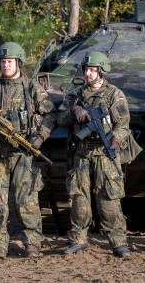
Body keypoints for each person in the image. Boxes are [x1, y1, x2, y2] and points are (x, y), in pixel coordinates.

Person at [0, 42, 54, 259]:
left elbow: (50, 115)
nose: (6, 65)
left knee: (26, 200)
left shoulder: (32, 88)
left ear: (19, 62)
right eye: (3, 61)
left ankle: (32, 243)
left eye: (10, 61)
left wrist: (39, 137)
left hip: (24, 154)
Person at [59, 51, 133, 258]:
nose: (88, 74)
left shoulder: (114, 95)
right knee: (78, 198)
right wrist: (75, 112)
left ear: (102, 71)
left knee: (109, 198)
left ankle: (118, 242)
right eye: (86, 70)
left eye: (93, 70)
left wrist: (115, 139)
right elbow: (61, 120)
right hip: (81, 153)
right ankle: (78, 239)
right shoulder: (75, 95)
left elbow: (124, 126)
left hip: (104, 153)